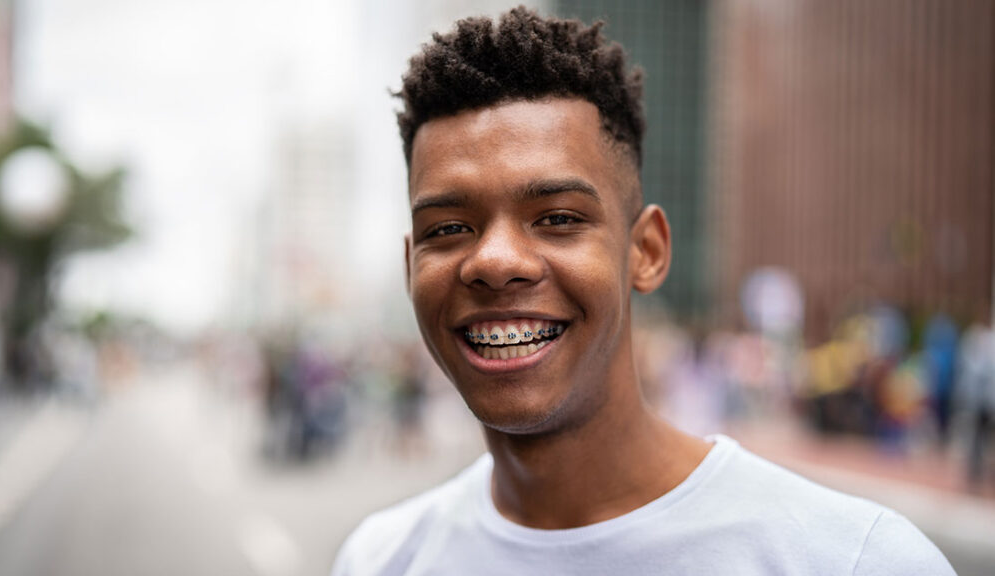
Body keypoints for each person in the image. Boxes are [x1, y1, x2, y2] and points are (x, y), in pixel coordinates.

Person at [332, 7, 954, 575]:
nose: (495, 262)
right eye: (449, 229)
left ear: (646, 251)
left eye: (558, 218)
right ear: (411, 265)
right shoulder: (380, 559)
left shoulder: (851, 560)